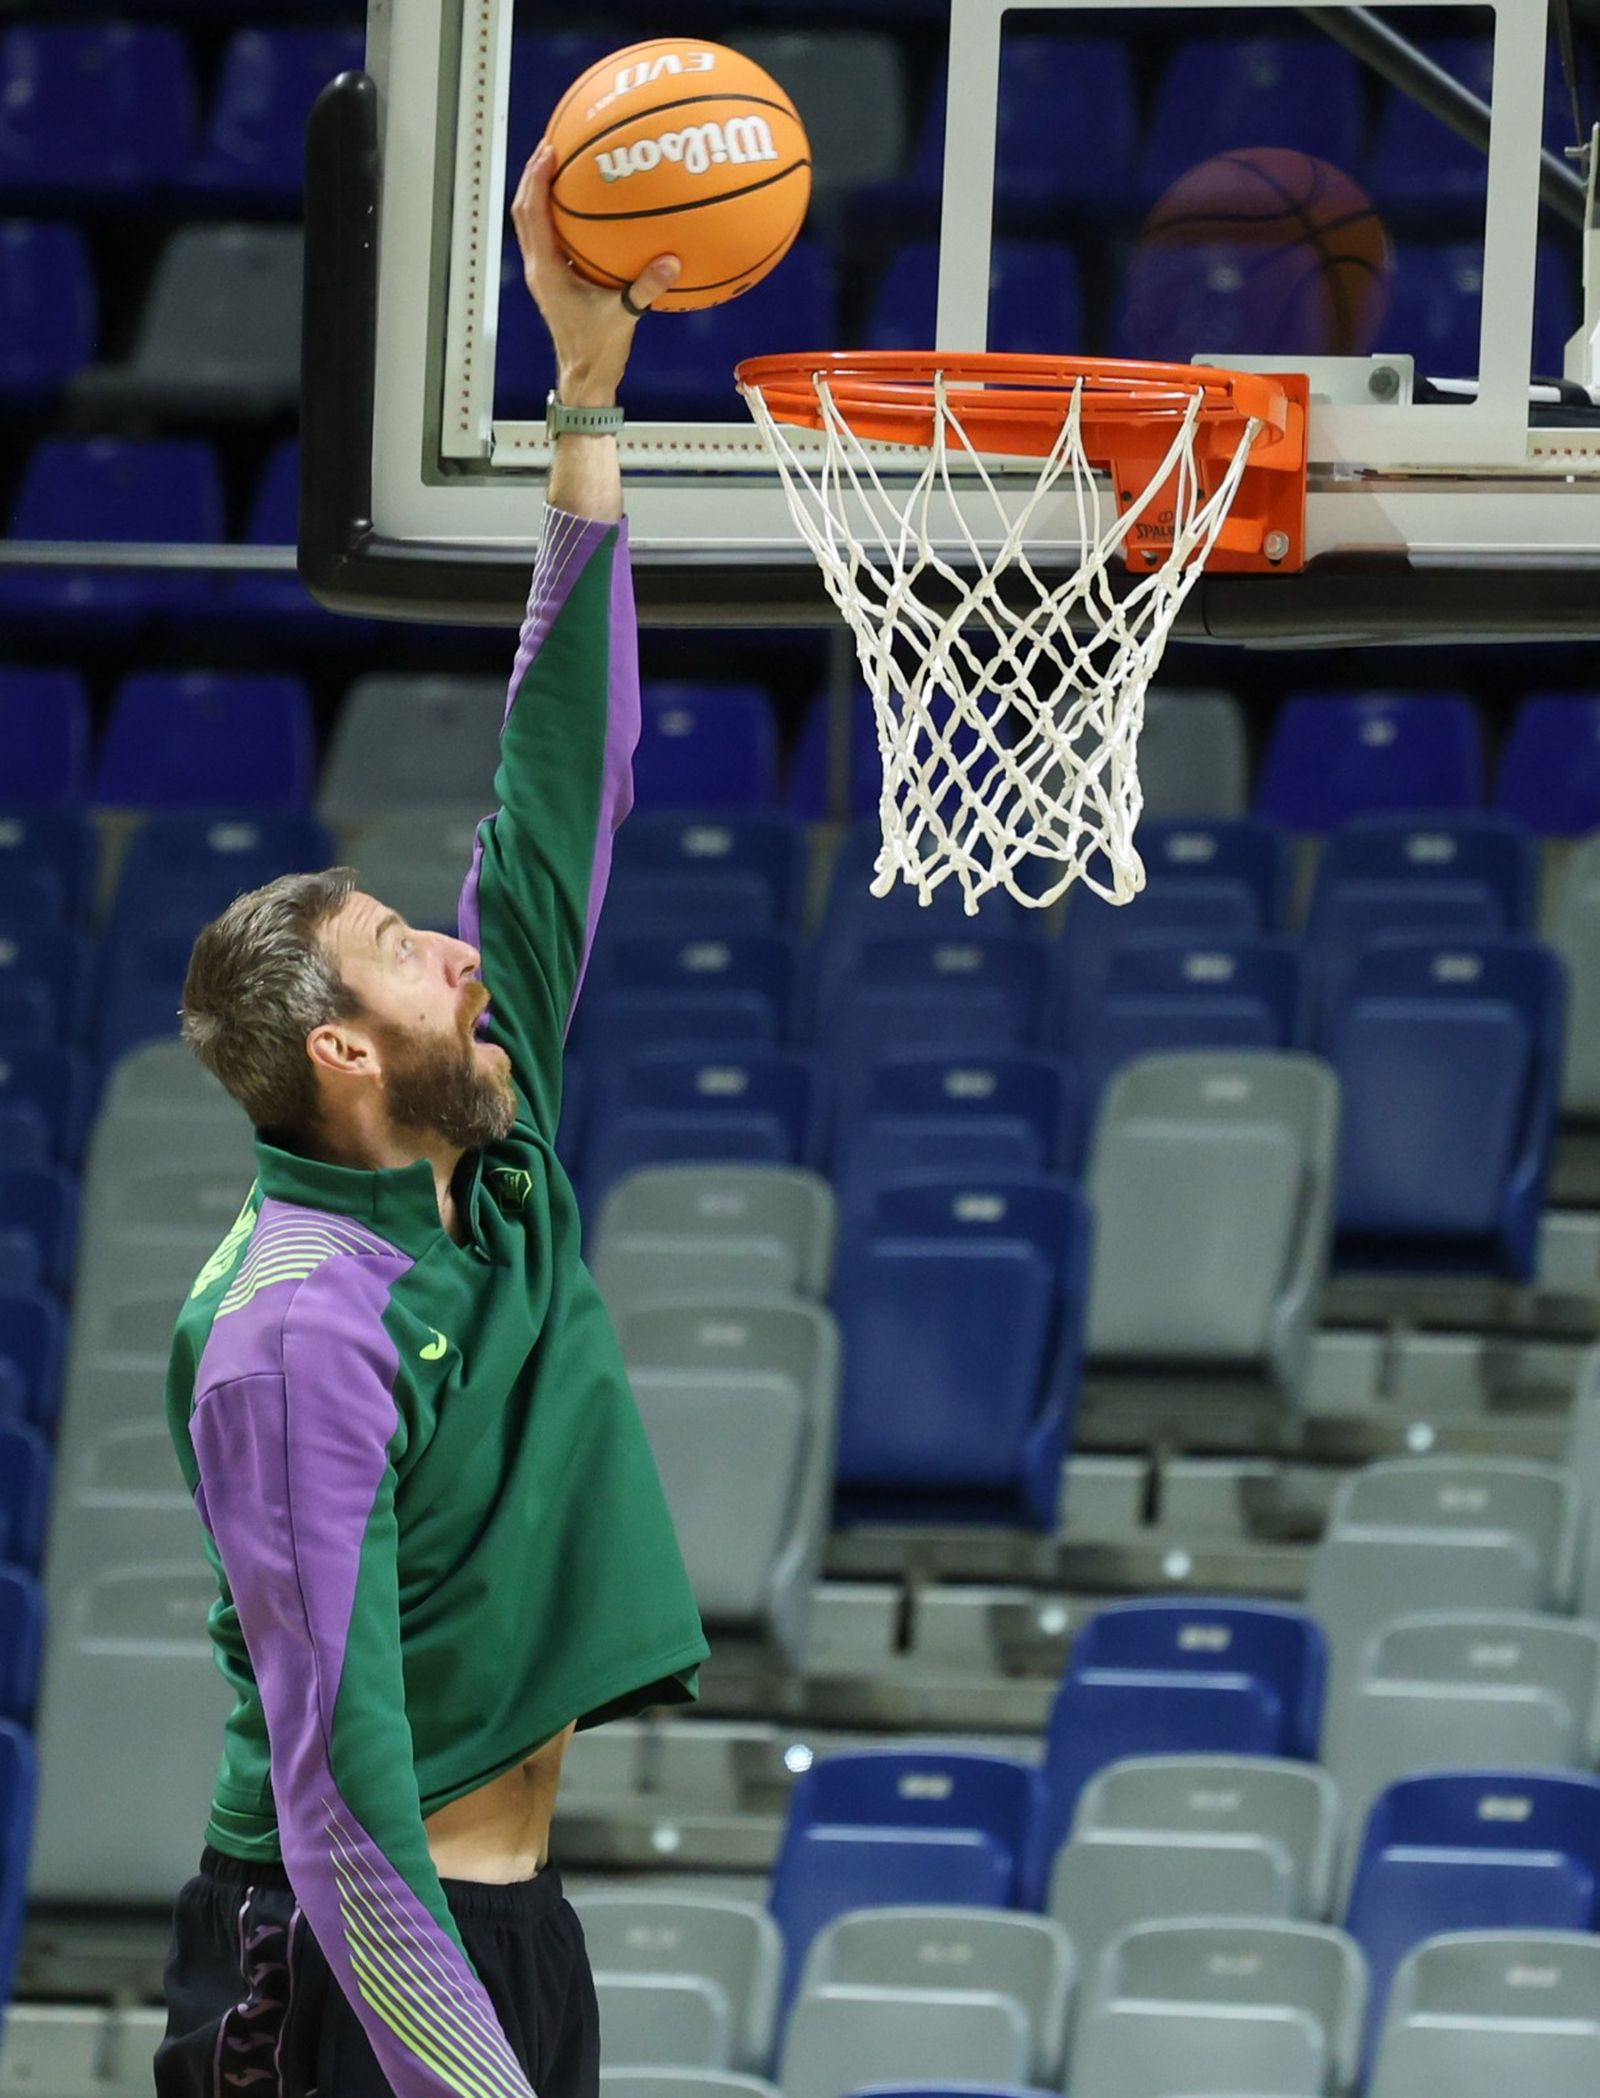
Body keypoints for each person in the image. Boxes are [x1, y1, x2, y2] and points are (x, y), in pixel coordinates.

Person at [152, 143, 704, 2098]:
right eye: (404, 951)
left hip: (507, 1920)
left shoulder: (496, 1118)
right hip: (329, 1946)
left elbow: (563, 783)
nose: (461, 956)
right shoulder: (296, 1324)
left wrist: (582, 395)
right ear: (341, 1056)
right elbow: (336, 1783)